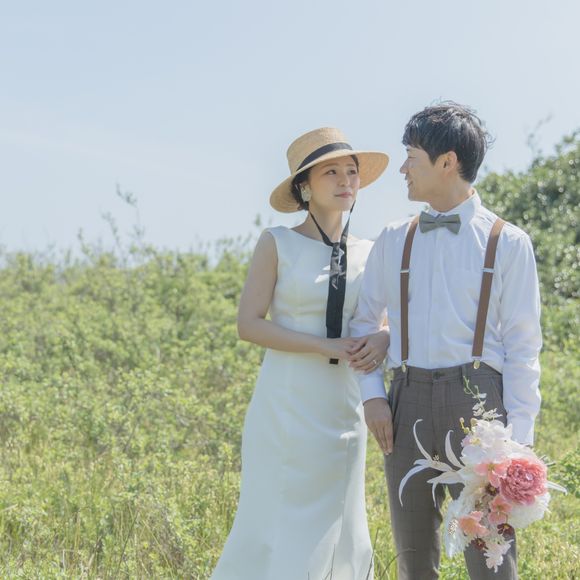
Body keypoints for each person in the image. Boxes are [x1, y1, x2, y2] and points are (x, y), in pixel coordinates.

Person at [350, 103, 542, 579]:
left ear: (447, 162)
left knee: (491, 557)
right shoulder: (393, 239)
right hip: (406, 400)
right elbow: (363, 323)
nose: (403, 169)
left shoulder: (508, 241)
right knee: (413, 554)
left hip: (480, 407)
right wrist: (373, 397)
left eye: (411, 157)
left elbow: (523, 347)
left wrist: (519, 441)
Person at [211, 127, 391, 580]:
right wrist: (323, 345)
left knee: (343, 518)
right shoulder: (277, 242)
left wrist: (383, 340)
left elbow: (383, 324)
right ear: (304, 186)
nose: (345, 180)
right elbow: (249, 324)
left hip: (345, 405)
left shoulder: (373, 252)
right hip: (286, 404)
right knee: (278, 520)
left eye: (351, 171)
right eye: (331, 172)